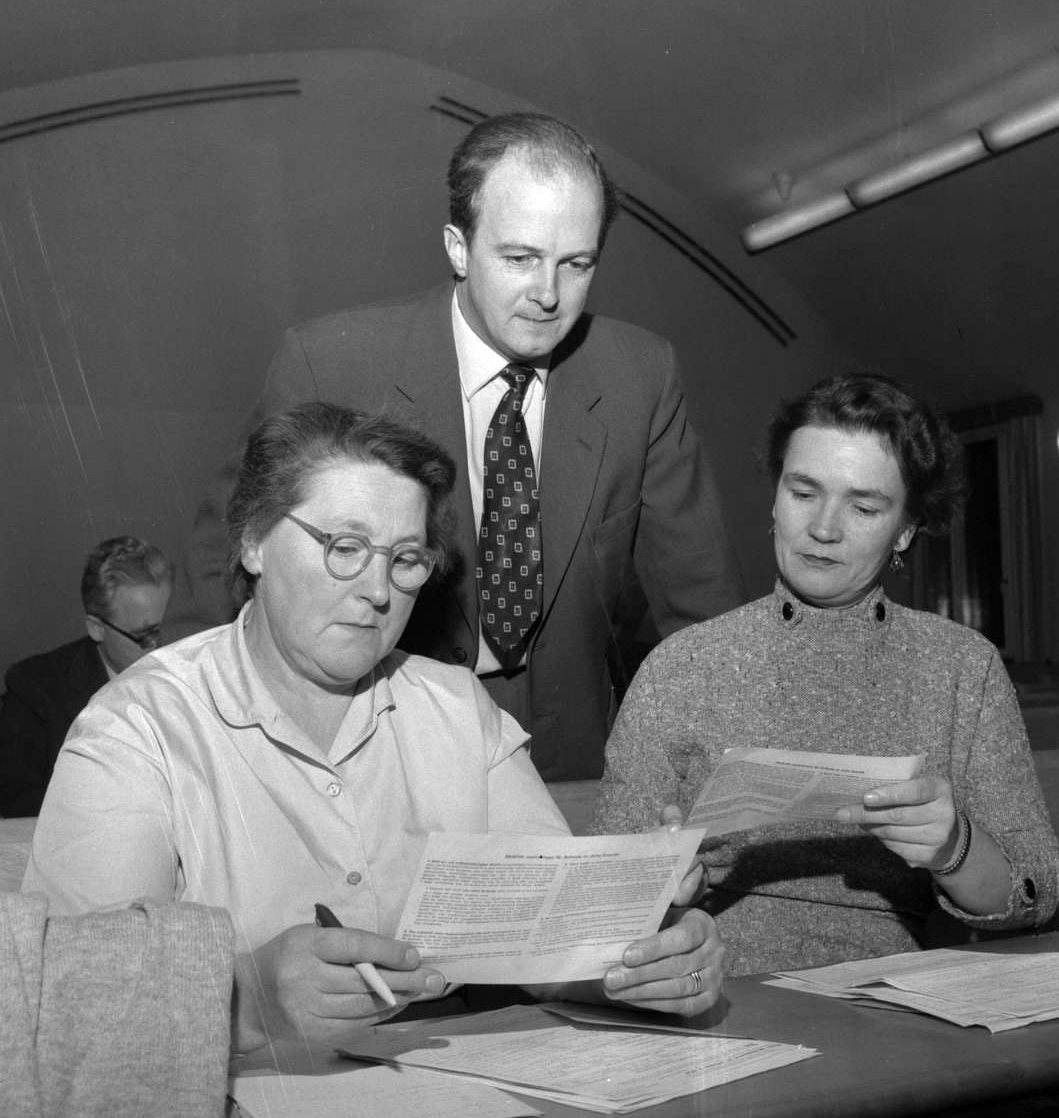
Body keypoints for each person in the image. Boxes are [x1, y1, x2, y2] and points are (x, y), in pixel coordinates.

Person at [24, 403, 725, 1053]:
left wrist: (641, 961)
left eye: (405, 559)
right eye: (345, 546)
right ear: (254, 543)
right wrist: (248, 999)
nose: (378, 590)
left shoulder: (456, 707)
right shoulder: (137, 728)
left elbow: (550, 946)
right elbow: (75, 1006)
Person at [164, 111, 746, 781]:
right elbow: (217, 584)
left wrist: (728, 778)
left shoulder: (638, 375)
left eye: (576, 264)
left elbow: (703, 609)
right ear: (459, 248)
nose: (548, 294)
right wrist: (188, 761)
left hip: (573, 759)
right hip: (375, 749)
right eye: (520, 258)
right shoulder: (331, 365)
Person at [589, 373, 1059, 974]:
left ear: (906, 530)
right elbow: (599, 905)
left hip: (895, 992)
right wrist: (657, 882)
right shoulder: (681, 667)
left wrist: (952, 847)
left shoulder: (963, 668)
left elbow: (1035, 892)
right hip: (717, 982)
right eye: (803, 492)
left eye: (863, 507)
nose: (824, 528)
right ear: (775, 498)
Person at [0, 535, 174, 817]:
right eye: (145, 635)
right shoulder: (34, 688)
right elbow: (17, 802)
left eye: (170, 627)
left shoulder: (198, 665)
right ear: (97, 628)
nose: (162, 646)